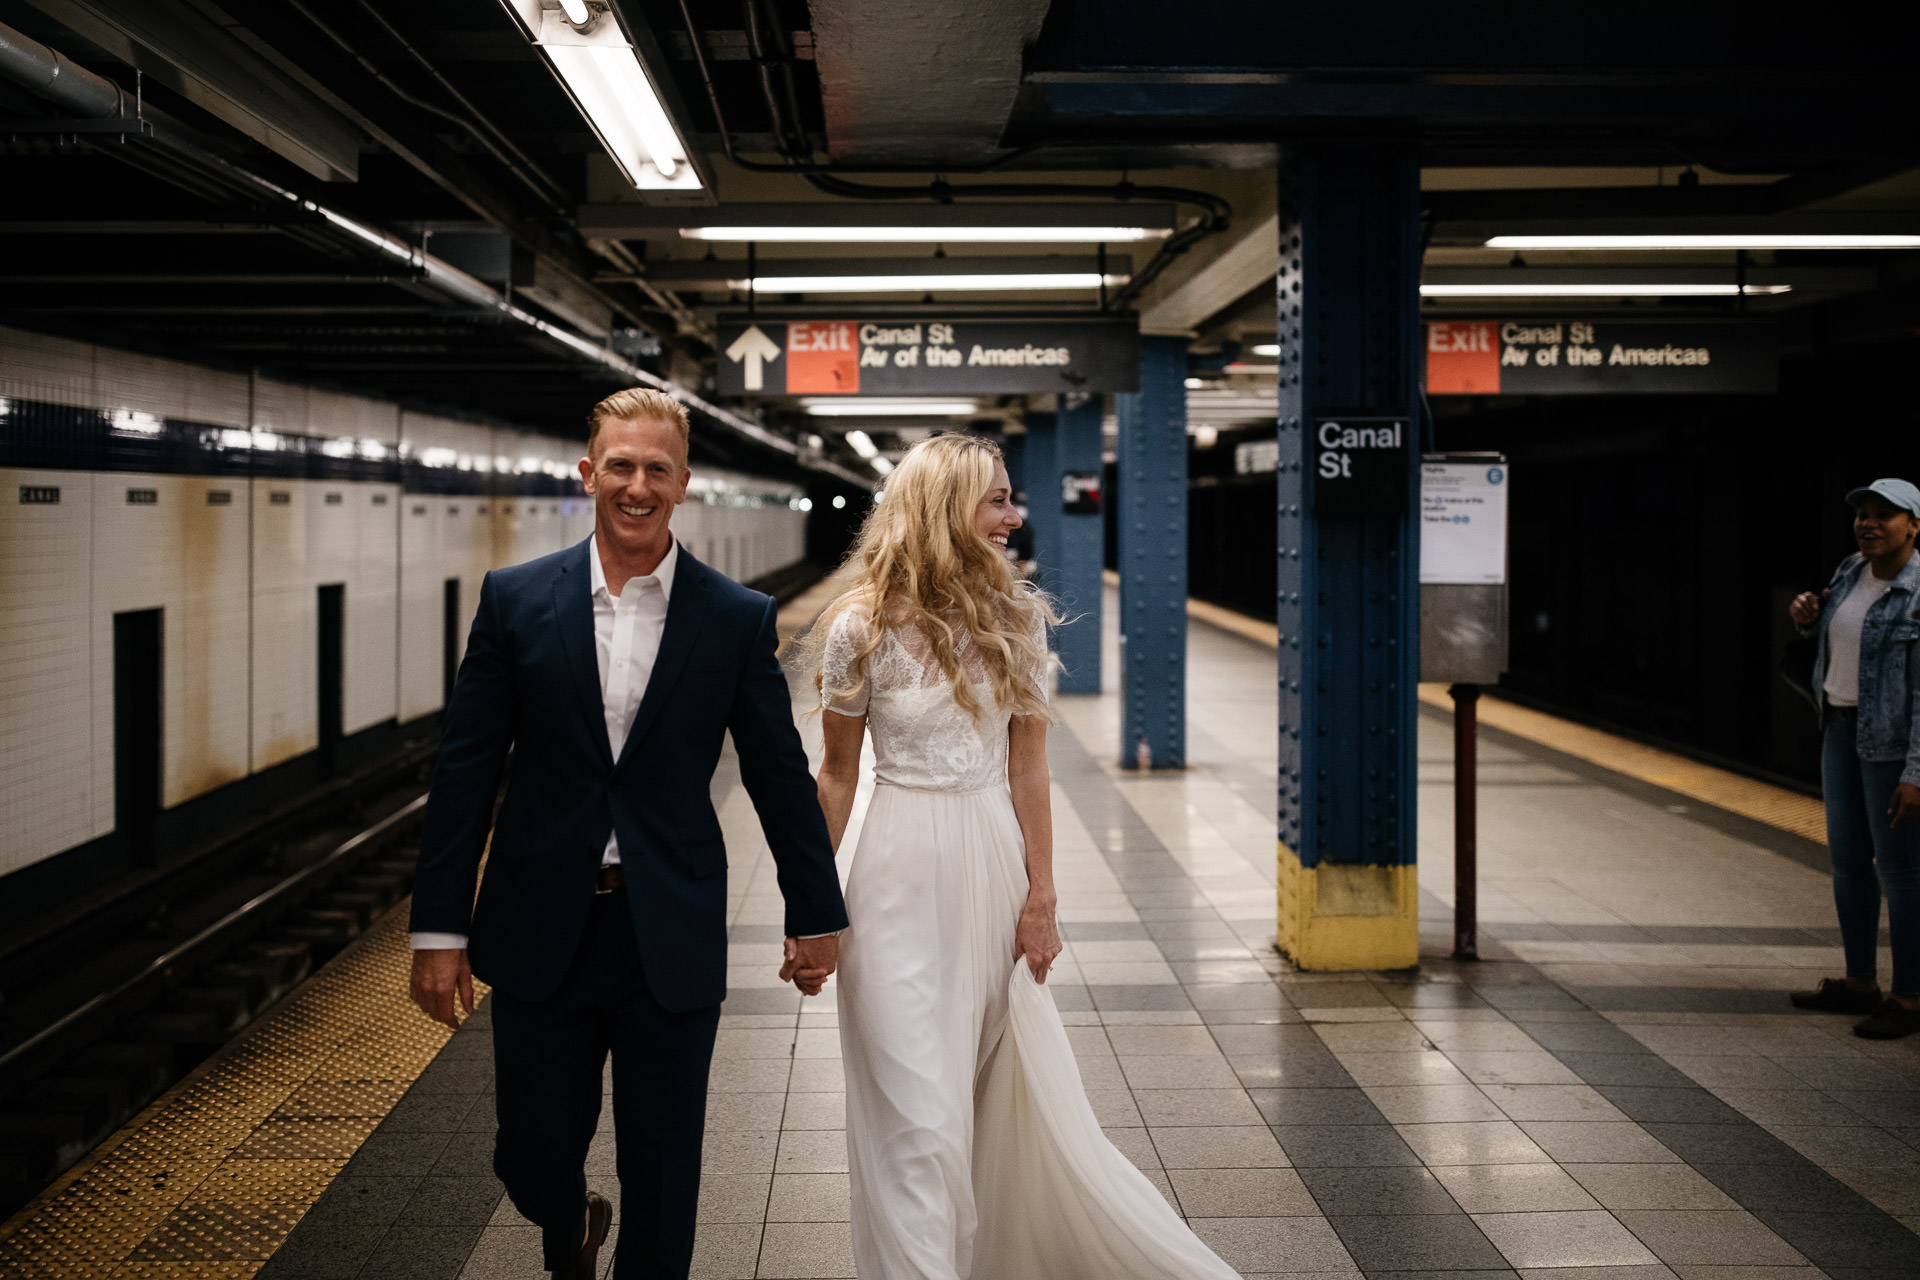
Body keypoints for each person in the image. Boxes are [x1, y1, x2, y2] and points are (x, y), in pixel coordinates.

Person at [407, 387, 848, 1279]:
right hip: (541, 928)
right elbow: (464, 774)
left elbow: (777, 776)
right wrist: (439, 929)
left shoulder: (734, 617)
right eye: (620, 465)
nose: (636, 485)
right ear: (588, 473)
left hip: (669, 930)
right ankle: (565, 1217)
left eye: (656, 468)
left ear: (683, 483)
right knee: (529, 1150)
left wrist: (816, 911)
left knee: (664, 1167)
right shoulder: (516, 600)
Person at [807, 434, 1239, 1279]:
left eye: (1011, 498)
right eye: (997, 499)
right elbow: (836, 775)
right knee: (915, 1117)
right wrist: (809, 907)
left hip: (992, 871)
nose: (1014, 515)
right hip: (893, 873)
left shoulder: (1018, 620)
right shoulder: (857, 627)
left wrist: (1043, 896)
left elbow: (1028, 767)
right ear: (944, 510)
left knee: (988, 1099)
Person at [1788, 477, 1920, 1040]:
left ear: (1914, 525)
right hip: (1839, 730)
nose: (1868, 523)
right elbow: (1832, 635)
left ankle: (1910, 997)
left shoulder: (1917, 593)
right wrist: (1806, 616)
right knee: (1847, 863)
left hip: (1889, 746)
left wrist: (1916, 773)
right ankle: (1860, 981)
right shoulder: (1849, 571)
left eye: (1884, 515)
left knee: (1902, 872)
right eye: (1862, 514)